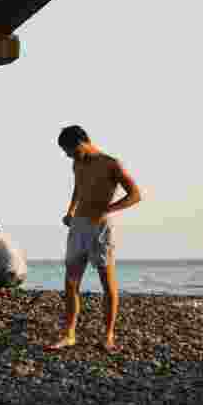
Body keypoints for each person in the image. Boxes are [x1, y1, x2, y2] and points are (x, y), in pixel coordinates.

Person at [46, 125, 141, 353]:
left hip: (100, 227)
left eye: (70, 150)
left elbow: (135, 195)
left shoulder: (110, 163)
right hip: (78, 225)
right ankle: (69, 335)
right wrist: (70, 211)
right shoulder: (76, 163)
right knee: (70, 282)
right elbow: (78, 189)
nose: (69, 155)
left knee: (106, 282)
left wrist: (109, 208)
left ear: (82, 141)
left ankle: (108, 336)